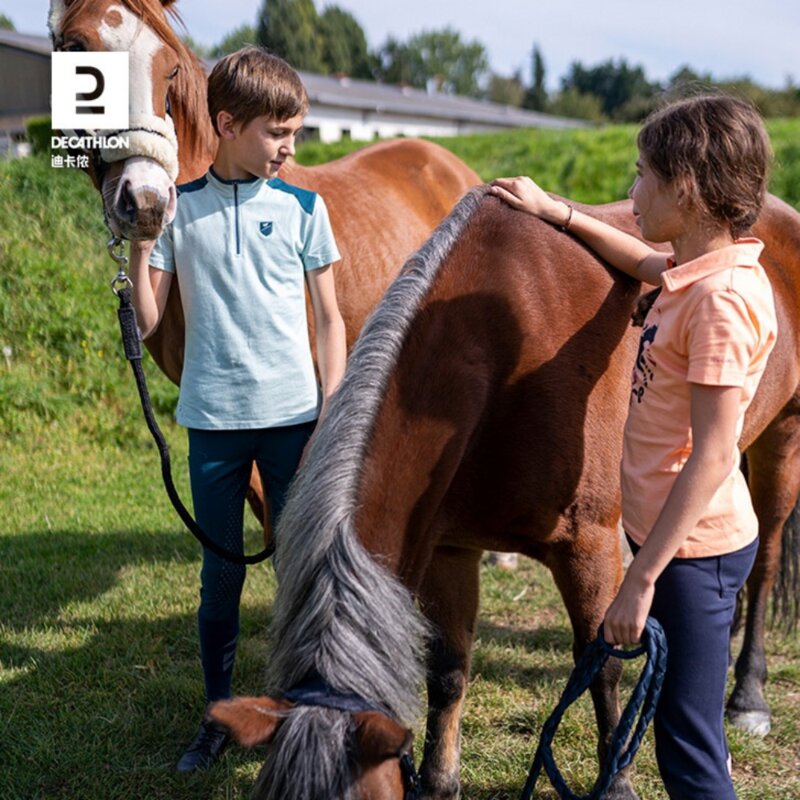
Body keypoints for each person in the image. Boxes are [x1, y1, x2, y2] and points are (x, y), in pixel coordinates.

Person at [491, 94, 777, 799]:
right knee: (685, 733)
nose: (631, 191)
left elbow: (715, 454)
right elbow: (646, 262)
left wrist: (640, 577)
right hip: (682, 548)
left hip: (692, 557)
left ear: (686, 189)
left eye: (641, 174)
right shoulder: (696, 270)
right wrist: (557, 213)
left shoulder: (719, 303)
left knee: (690, 753)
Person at [128, 46, 347, 772]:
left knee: (302, 571)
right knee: (221, 577)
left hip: (293, 423)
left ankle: (306, 709)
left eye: (296, 133)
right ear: (226, 123)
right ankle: (219, 713)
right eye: (276, 133)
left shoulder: (304, 210)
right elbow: (153, 321)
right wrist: (137, 253)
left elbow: (329, 320)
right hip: (213, 427)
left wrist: (330, 413)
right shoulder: (180, 211)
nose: (290, 148)